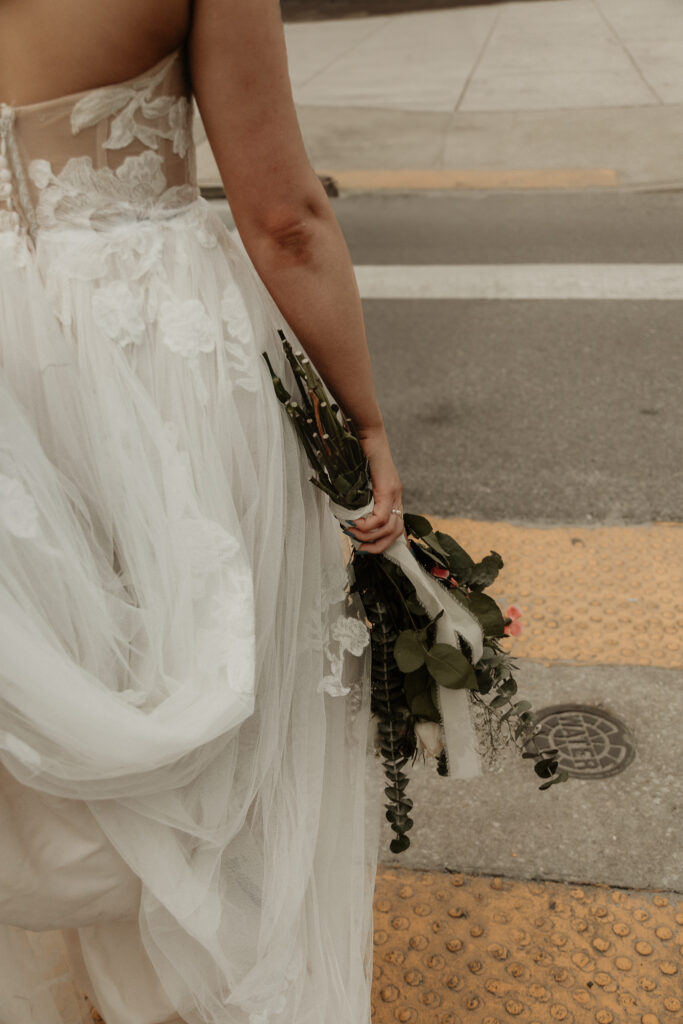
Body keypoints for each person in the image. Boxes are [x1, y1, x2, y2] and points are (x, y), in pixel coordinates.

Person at [0, 1, 405, 1021]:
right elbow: (285, 219)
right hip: (154, 358)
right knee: (227, 684)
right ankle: (207, 986)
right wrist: (361, 428)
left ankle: (106, 987)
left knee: (60, 672)